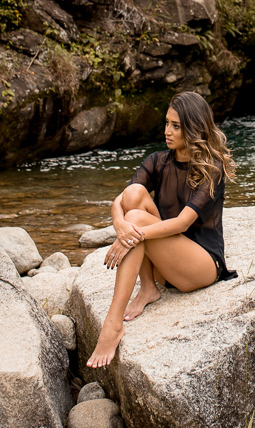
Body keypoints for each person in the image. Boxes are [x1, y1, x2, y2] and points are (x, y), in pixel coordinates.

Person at [85, 91, 237, 368]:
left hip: (201, 264)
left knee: (138, 219)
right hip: (165, 264)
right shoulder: (158, 161)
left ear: (194, 128)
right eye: (167, 123)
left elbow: (182, 224)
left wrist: (131, 236)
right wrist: (120, 226)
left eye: (176, 126)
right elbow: (121, 200)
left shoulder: (211, 168)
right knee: (133, 197)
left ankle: (113, 323)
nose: (167, 131)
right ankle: (148, 289)